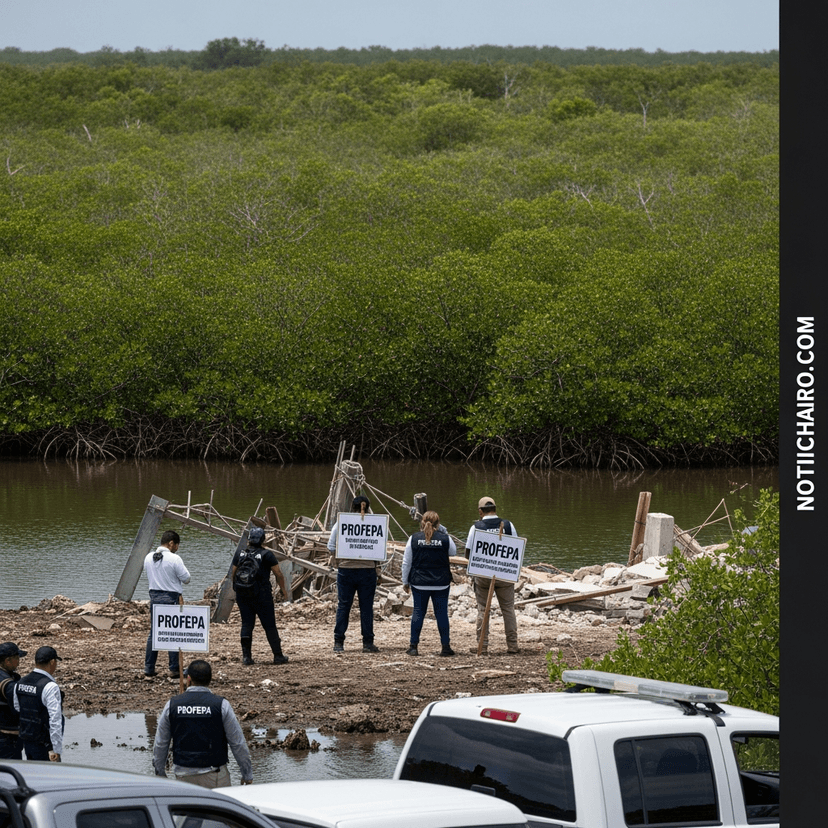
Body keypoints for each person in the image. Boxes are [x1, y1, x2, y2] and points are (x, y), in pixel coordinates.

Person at [152, 658, 253, 788]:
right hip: (215, 775)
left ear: (189, 679)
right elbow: (238, 743)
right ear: (210, 680)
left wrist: (160, 773)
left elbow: (160, 744)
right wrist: (247, 774)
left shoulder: (172, 705)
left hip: (183, 776)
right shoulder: (221, 705)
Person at [464, 496, 520, 655]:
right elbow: (516, 549)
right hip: (505, 574)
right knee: (508, 609)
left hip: (483, 575)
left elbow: (468, 553)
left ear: (480, 511)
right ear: (495, 509)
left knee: (483, 610)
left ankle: (483, 645)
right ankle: (513, 645)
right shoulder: (508, 525)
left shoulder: (476, 527)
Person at [327, 495, 382, 653]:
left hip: (346, 570)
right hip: (367, 571)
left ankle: (338, 643)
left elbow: (331, 546)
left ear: (352, 507)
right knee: (366, 608)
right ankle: (368, 643)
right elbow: (380, 549)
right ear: (368, 507)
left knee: (344, 606)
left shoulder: (342, 522)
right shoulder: (375, 523)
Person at [231, 526, 289, 665]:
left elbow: (233, 574)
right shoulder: (267, 554)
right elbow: (279, 574)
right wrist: (283, 590)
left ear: (249, 539)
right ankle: (278, 656)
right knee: (269, 625)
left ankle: (246, 657)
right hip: (262, 595)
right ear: (263, 540)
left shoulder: (240, 553)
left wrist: (238, 589)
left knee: (246, 624)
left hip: (243, 594)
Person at [402, 510, 455, 657]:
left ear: (422, 522)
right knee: (442, 614)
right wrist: (444, 532)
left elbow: (406, 563)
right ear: (439, 524)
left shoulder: (413, 538)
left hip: (419, 583)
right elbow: (453, 552)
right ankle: (445, 647)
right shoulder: (445, 539)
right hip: (441, 583)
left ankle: (413, 647)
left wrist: (405, 581)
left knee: (418, 613)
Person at [144, 529, 191, 677]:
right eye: (176, 545)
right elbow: (187, 578)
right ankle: (174, 668)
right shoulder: (174, 559)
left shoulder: (148, 557)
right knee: (173, 632)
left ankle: (149, 668)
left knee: (154, 633)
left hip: (154, 597)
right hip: (171, 597)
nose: (177, 548)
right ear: (171, 543)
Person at [14, 645, 64, 762]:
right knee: (50, 778)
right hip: (45, 746)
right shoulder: (50, 686)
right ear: (52, 662)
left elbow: (18, 708)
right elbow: (55, 720)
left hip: (28, 742)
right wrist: (56, 749)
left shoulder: (20, 683)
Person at [0, 642, 26, 760]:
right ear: (7, 661)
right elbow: (20, 705)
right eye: (16, 658)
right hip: (7, 737)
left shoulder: (10, 677)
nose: (19, 661)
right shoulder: (7, 684)